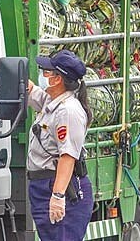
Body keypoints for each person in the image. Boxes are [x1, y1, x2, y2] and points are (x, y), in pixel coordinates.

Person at [27, 49, 94, 240]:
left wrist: (57, 196)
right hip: (42, 185)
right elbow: (30, 90)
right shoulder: (53, 102)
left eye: (46, 72)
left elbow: (68, 156)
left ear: (58, 79)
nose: (43, 75)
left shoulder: (68, 111)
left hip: (62, 187)